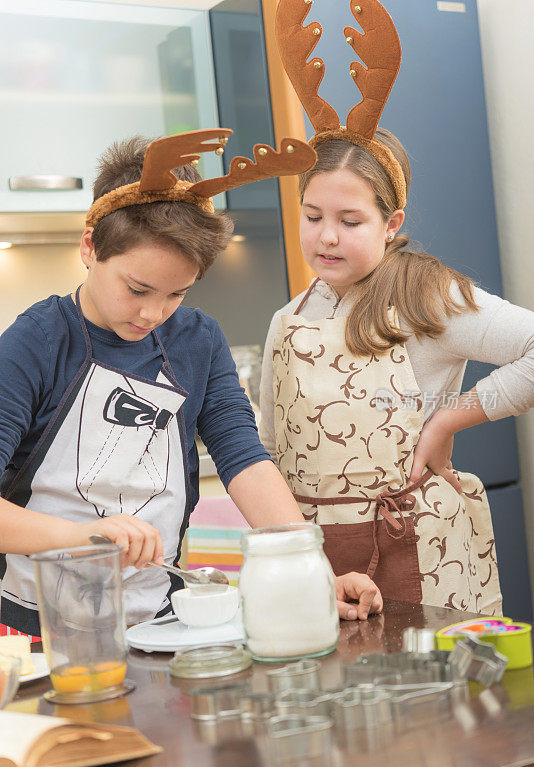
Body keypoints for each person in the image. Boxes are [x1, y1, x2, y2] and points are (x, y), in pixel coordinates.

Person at [0, 130, 382, 639]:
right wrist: (82, 535)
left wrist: (311, 571)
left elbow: (244, 459)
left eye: (175, 293)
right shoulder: (38, 341)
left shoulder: (197, 341)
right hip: (30, 625)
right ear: (90, 246)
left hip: (157, 622)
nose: (152, 313)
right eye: (137, 289)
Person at [260, 0, 534, 614]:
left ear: (392, 224)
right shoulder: (288, 319)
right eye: (313, 217)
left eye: (350, 220)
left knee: (431, 700)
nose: (327, 236)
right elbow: (270, 448)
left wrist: (447, 420)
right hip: (318, 566)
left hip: (418, 546)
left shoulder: (424, 296)